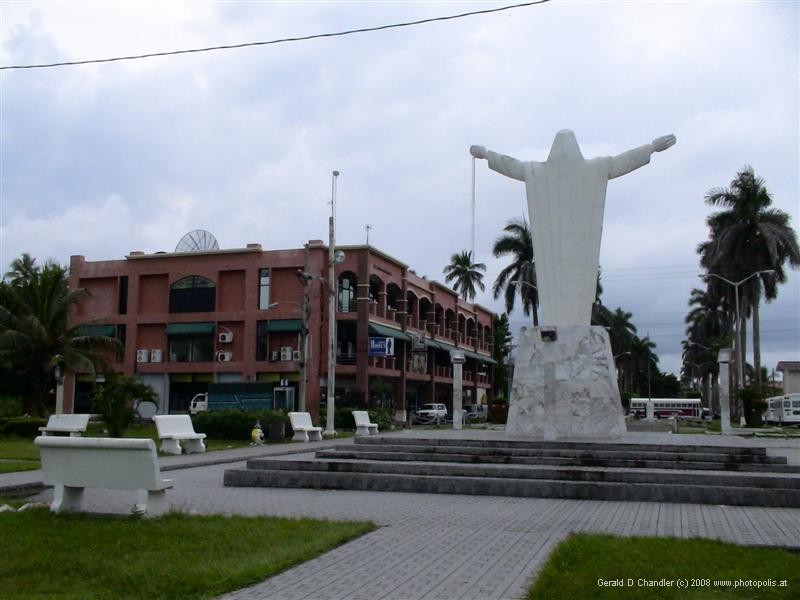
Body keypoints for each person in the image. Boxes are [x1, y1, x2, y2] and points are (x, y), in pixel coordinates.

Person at [471, 130, 676, 326]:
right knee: (557, 290)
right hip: (553, 250)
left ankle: (573, 322)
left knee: (577, 287)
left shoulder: (542, 171)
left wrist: (651, 148)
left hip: (580, 247)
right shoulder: (550, 171)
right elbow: (511, 165)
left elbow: (511, 165)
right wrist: (651, 147)